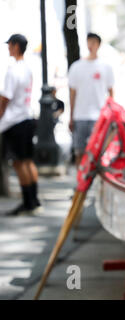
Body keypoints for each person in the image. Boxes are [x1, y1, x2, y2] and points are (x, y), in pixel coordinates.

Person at [0, 34, 40, 216]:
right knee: (28, 161)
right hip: (26, 117)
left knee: (19, 162)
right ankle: (34, 199)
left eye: (10, 45)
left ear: (16, 46)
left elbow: (5, 97)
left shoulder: (13, 70)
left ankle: (28, 202)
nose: (8, 48)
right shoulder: (26, 69)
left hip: (14, 121)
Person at [68, 33, 114, 167]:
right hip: (80, 116)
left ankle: (98, 184)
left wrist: (110, 114)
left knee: (99, 152)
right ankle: (80, 182)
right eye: (89, 42)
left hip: (99, 116)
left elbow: (111, 92)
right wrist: (71, 117)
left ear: (98, 45)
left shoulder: (105, 67)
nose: (90, 45)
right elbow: (72, 93)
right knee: (79, 152)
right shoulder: (76, 67)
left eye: (93, 42)